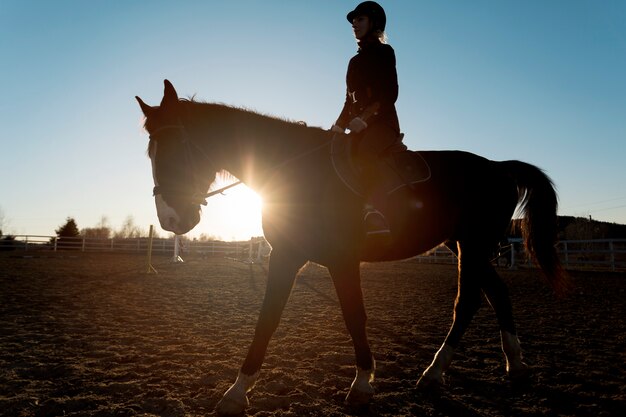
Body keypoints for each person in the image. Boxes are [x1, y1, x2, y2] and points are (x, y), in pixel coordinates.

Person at [331, 1, 402, 244]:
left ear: (374, 23)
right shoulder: (354, 62)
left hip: (383, 126)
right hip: (358, 125)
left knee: (364, 152)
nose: (354, 24)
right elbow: (348, 100)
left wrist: (366, 118)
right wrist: (339, 125)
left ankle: (375, 211)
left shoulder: (385, 52)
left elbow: (389, 93)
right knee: (335, 153)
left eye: (360, 19)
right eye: (354, 20)